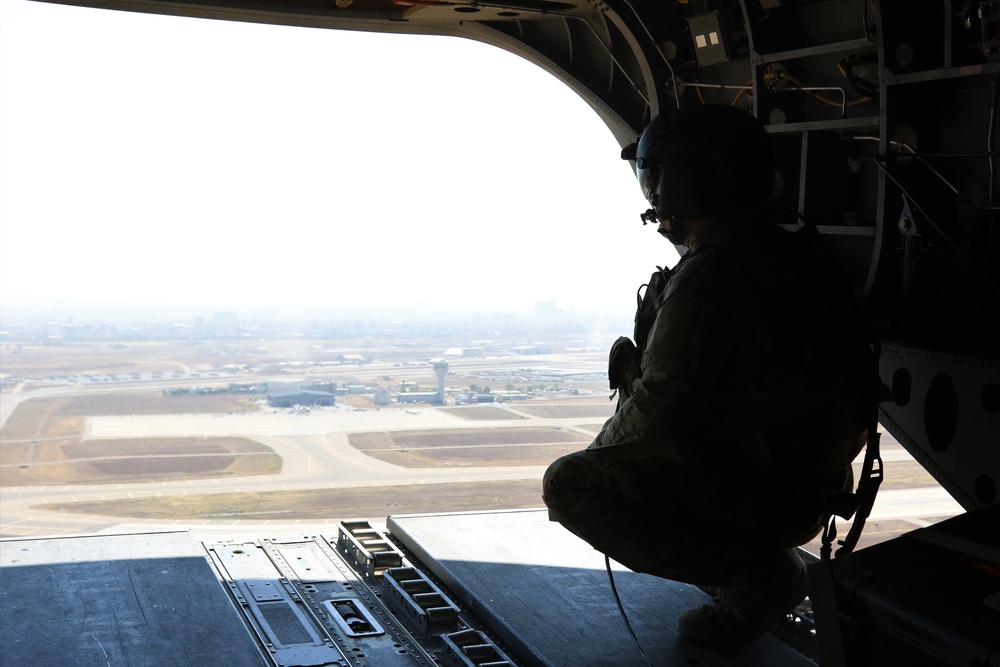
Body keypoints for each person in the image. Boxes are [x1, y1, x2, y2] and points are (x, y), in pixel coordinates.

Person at [542, 105, 877, 648]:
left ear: (674, 179)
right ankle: (756, 566)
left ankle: (757, 577)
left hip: (765, 491)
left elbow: (662, 403)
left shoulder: (715, 273)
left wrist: (599, 462)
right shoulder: (789, 252)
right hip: (802, 480)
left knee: (569, 485)